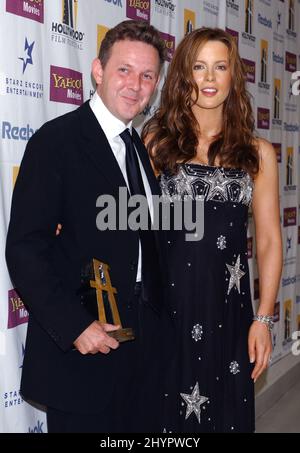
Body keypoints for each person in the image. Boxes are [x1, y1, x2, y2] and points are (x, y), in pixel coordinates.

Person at [6, 20, 166, 433]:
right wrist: (75, 325)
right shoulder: (56, 142)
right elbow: (25, 247)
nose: (136, 84)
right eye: (124, 70)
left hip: (140, 355)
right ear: (98, 71)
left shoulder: (140, 150)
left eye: (147, 75)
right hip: (82, 355)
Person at [142, 27, 282, 433]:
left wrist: (264, 318)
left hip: (230, 316)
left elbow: (271, 241)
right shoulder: (155, 142)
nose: (208, 78)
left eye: (219, 67)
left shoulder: (258, 153)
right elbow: (134, 229)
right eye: (198, 67)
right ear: (183, 75)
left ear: (233, 76)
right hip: (166, 314)